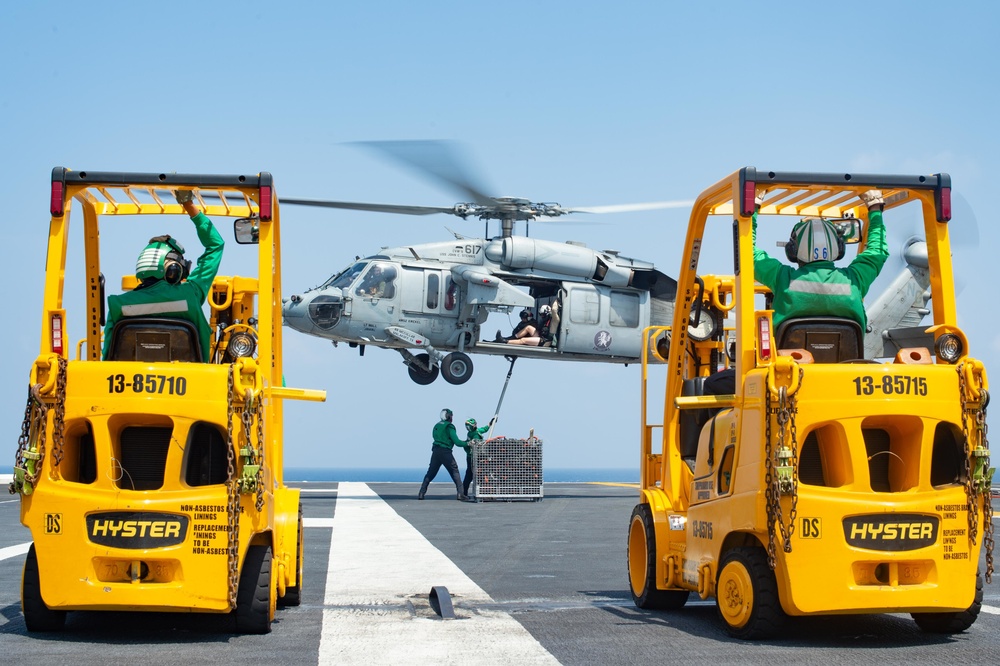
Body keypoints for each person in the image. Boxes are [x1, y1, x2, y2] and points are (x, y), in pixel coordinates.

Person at [703, 188, 888, 396]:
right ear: (838, 248)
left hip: (784, 383)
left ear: (792, 251)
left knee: (712, 384)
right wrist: (875, 209)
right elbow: (878, 251)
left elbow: (747, 252)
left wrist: (752, 209)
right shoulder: (855, 280)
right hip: (844, 381)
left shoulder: (783, 278)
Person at [102, 189, 224, 362]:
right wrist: (188, 204)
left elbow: (107, 357)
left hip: (128, 379)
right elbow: (215, 246)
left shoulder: (117, 305)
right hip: (190, 379)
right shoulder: (190, 294)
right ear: (173, 269)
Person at [418, 408, 470, 501]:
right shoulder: (449, 427)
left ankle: (421, 493)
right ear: (449, 416)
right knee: (454, 471)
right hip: (445, 452)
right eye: (451, 416)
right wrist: (468, 443)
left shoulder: (437, 425)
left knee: (431, 472)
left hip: (435, 451)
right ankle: (460, 494)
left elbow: (435, 437)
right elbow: (457, 442)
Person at [461, 416, 496, 496]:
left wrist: (490, 423)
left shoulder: (474, 432)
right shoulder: (474, 434)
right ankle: (465, 492)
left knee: (472, 474)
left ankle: (466, 492)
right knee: (470, 474)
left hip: (475, 456)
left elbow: (484, 429)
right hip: (473, 457)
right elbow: (474, 444)